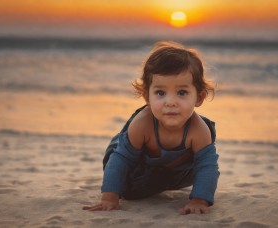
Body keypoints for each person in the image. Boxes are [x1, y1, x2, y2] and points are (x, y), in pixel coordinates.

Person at [83, 41, 220, 215]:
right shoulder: (143, 124)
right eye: (160, 93)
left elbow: (207, 167)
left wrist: (199, 200)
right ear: (147, 96)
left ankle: (162, 181)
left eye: (182, 93)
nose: (170, 102)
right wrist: (109, 198)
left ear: (199, 97)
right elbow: (121, 160)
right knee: (129, 191)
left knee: (205, 163)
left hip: (175, 173)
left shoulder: (198, 130)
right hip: (134, 165)